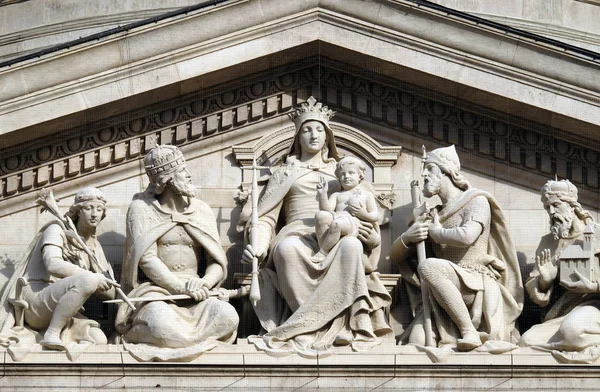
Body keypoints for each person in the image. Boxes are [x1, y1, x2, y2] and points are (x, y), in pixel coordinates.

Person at [240, 96, 392, 357]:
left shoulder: (343, 172)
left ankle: (351, 323)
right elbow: (264, 216)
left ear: (327, 136)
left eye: (319, 129)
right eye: (307, 130)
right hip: (296, 232)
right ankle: (309, 324)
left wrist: (371, 234)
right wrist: (259, 245)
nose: (313, 135)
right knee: (287, 249)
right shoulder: (285, 173)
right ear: (298, 137)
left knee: (352, 245)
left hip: (337, 231)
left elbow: (368, 212)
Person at [390, 145, 523, 351]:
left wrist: (437, 233)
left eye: (430, 168)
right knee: (415, 342)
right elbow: (394, 257)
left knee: (429, 266)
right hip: (441, 291)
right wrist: (408, 237)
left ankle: (468, 330)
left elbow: (468, 235)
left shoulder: (476, 200)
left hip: (472, 283)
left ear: (446, 172)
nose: (424, 173)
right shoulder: (432, 214)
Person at [115, 144, 239, 361]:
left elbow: (217, 262)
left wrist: (205, 283)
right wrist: (179, 287)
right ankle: (133, 332)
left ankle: (173, 340)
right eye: (182, 171)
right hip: (158, 294)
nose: (189, 175)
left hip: (198, 295)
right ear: (167, 179)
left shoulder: (202, 211)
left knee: (228, 316)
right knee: (162, 326)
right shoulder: (142, 209)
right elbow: (147, 259)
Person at [0, 187, 116, 356]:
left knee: (98, 339)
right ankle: (52, 334)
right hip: (38, 298)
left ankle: (58, 332)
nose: (94, 214)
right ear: (77, 211)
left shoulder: (94, 246)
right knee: (88, 280)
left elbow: (111, 293)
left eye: (99, 209)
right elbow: (52, 264)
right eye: (88, 208)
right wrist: (91, 277)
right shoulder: (56, 230)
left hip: (66, 309)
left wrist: (104, 283)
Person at [519, 179, 600, 359]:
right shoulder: (548, 242)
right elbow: (536, 291)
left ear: (572, 205)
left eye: (556, 205)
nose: (552, 212)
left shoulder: (596, 233)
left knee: (572, 331)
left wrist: (594, 287)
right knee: (526, 340)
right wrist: (544, 281)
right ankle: (570, 343)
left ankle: (575, 340)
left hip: (594, 306)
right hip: (562, 310)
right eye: (547, 207)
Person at [312, 156, 379, 263]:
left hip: (353, 222)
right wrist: (323, 194)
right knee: (320, 216)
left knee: (337, 224)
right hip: (337, 218)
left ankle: (323, 252)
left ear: (360, 176)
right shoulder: (337, 195)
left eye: (351, 173)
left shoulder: (366, 194)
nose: (346, 176)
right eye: (343, 174)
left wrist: (363, 214)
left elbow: (375, 215)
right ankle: (326, 247)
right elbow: (327, 209)